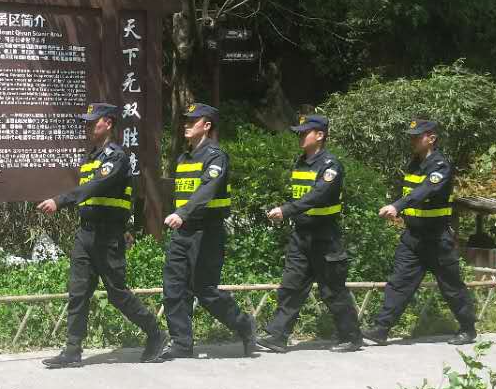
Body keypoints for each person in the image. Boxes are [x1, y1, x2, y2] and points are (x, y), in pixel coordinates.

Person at [37, 102, 166, 368]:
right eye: (86, 122)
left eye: (92, 122)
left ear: (108, 123)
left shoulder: (116, 157)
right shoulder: (92, 157)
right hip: (86, 234)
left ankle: (155, 333)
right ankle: (72, 351)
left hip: (108, 236)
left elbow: (95, 187)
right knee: (78, 291)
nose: (87, 127)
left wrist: (60, 200)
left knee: (117, 294)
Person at [155, 103, 257, 362]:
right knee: (173, 287)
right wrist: (178, 215)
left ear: (207, 126)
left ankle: (244, 324)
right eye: (186, 121)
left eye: (193, 121)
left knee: (205, 291)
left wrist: (182, 213)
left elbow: (206, 191)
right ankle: (181, 342)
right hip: (183, 232)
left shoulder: (215, 157)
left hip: (207, 232)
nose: (186, 125)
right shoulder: (184, 158)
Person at [362, 118, 476, 346]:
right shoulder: (413, 164)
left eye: (417, 136)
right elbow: (410, 193)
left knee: (451, 287)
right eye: (411, 137)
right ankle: (381, 329)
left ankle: (468, 329)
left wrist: (397, 206)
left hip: (437, 239)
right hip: (413, 237)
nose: (412, 140)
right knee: (399, 283)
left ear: (431, 139)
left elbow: (424, 191)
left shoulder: (441, 166)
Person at [256, 114, 363, 353]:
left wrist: (286, 210)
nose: (300, 137)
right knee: (291, 285)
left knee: (332, 290)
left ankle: (351, 337)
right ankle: (277, 336)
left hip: (325, 237)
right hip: (301, 235)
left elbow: (317, 195)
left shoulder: (330, 165)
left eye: (305, 133)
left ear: (320, 135)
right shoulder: (301, 162)